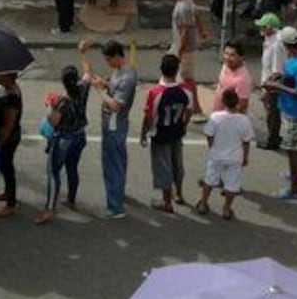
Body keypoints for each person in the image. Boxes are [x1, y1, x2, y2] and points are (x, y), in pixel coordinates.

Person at [80, 39, 137, 220]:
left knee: (113, 164)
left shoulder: (128, 77)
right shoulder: (119, 71)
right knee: (117, 161)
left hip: (115, 124)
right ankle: (118, 195)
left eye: (107, 59)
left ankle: (115, 207)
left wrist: (99, 89)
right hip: (112, 124)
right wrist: (103, 83)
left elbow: (115, 105)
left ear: (116, 56)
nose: (107, 63)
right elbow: (111, 86)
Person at [264, 26, 297, 200]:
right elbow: (288, 78)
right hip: (287, 108)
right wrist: (277, 78)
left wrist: (276, 86)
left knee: (293, 150)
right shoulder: (293, 59)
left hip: (296, 112)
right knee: (294, 148)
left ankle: (294, 188)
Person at [36, 65, 90, 225]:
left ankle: (50, 209)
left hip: (64, 139)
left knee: (53, 173)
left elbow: (53, 122)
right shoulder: (83, 89)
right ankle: (71, 199)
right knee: (72, 168)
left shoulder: (62, 102)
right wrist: (83, 55)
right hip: (80, 135)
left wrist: (49, 105)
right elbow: (88, 74)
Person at [141, 53, 192, 213]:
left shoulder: (155, 92)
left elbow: (148, 117)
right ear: (177, 70)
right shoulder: (186, 91)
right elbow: (189, 112)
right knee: (177, 164)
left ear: (161, 69)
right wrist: (183, 125)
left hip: (160, 134)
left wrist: (143, 133)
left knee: (164, 167)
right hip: (177, 131)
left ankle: (167, 202)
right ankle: (179, 194)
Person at [196, 89, 254, 220]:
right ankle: (227, 208)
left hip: (217, 155)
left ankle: (203, 203)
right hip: (235, 157)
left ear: (223, 102)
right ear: (237, 102)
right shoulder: (244, 120)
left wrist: (212, 148)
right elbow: (246, 141)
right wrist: (245, 157)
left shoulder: (215, 117)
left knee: (209, 180)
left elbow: (209, 135)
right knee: (232, 184)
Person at [168, 0, 207, 120]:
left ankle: (196, 108)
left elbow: (184, 31)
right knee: (175, 76)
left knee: (187, 79)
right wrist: (202, 30)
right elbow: (196, 15)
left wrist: (179, 52)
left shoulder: (183, 7)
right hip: (179, 45)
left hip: (184, 48)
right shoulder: (188, 0)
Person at [0, 71, 22, 218]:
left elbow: (8, 127)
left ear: (9, 77)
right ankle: (8, 192)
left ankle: (11, 204)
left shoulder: (11, 98)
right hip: (8, 135)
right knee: (5, 167)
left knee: (7, 167)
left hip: (9, 138)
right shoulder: (6, 90)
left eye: (0, 74)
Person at [256, 12, 285, 149]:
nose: (260, 29)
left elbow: (276, 71)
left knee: (272, 114)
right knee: (271, 113)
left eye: (263, 27)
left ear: (270, 28)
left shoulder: (276, 45)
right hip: (268, 82)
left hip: (272, 85)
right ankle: (274, 136)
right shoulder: (269, 41)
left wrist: (267, 90)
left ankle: (273, 139)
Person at [213, 39, 252, 112]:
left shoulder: (243, 79)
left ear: (241, 57)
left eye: (232, 55)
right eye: (226, 53)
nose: (227, 58)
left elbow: (242, 106)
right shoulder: (226, 66)